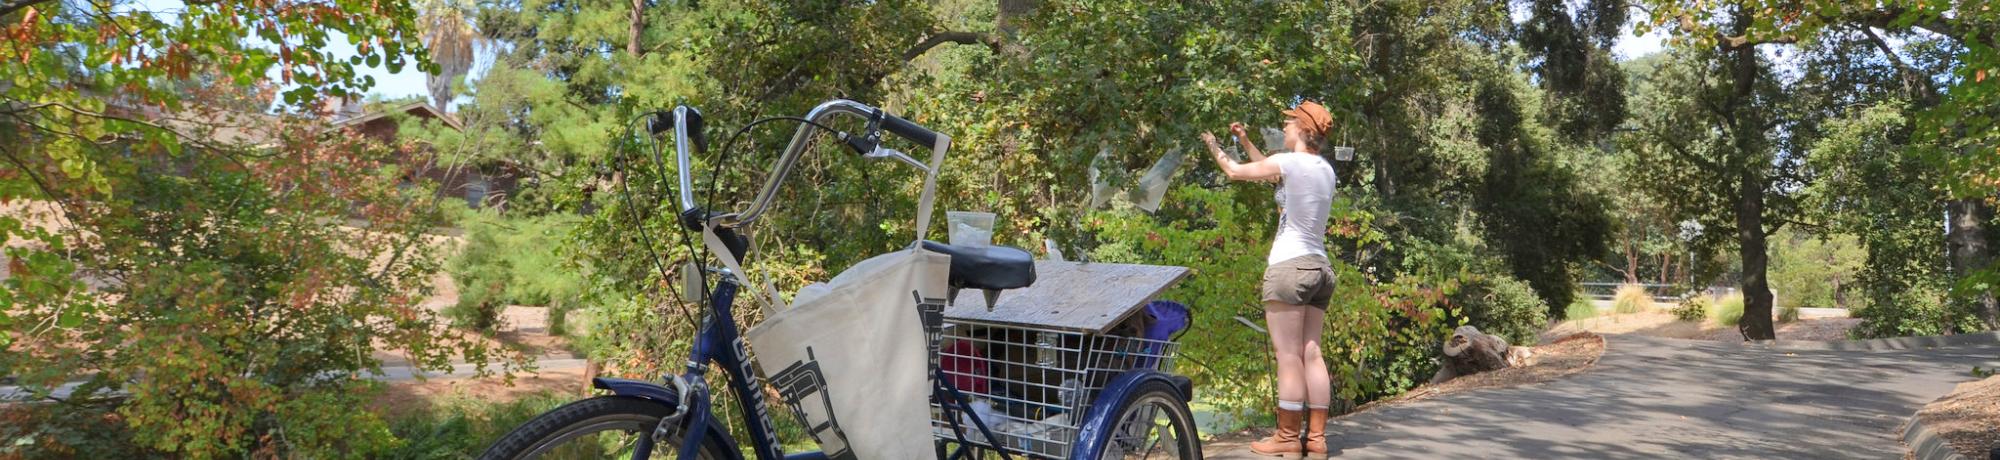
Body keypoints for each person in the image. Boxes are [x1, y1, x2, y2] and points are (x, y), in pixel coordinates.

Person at [1200, 100, 1338, 459]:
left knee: (1288, 355)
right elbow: (1273, 171)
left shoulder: (1290, 162)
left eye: (1289, 124)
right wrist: (1245, 140)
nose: (1285, 129)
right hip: (1321, 269)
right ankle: (1317, 440)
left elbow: (1236, 173)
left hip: (1289, 268)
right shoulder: (1324, 169)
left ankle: (1288, 438)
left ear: (1303, 130)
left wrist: (1213, 145)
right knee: (1311, 353)